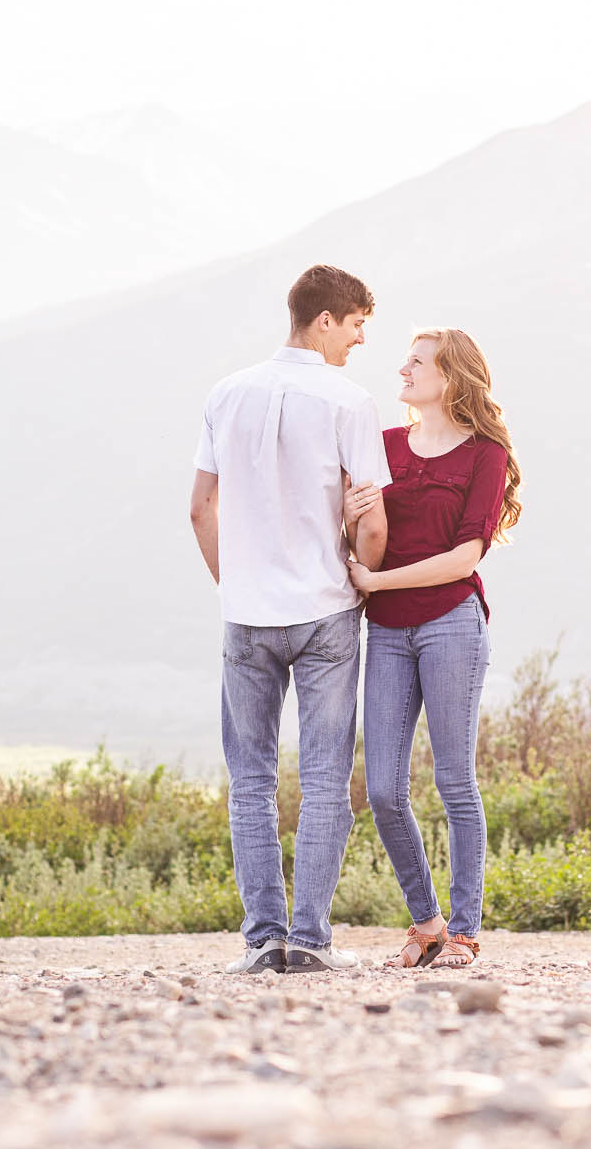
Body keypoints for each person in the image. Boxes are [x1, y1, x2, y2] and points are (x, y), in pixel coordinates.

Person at [189, 264, 392, 974]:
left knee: (250, 778)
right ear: (325, 319)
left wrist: (235, 581)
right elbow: (371, 524)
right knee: (327, 778)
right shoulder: (349, 401)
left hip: (245, 613)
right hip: (325, 610)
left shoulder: (226, 393)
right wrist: (364, 578)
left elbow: (198, 507)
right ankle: (309, 940)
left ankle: (260, 940)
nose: (361, 339)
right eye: (358, 323)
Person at [348, 328, 522, 970]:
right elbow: (360, 530)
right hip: (387, 630)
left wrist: (379, 580)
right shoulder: (383, 447)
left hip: (452, 619)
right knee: (385, 790)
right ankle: (426, 922)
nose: (403, 369)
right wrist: (351, 517)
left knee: (454, 780)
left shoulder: (485, 454)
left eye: (416, 362)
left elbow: (466, 556)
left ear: (450, 377)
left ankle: (465, 930)